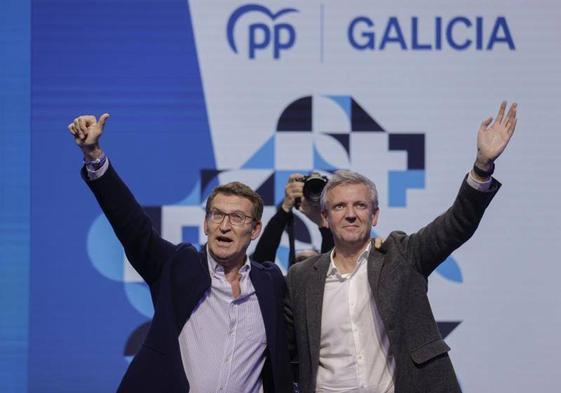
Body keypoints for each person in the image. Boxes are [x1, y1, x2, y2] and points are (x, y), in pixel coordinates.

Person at [285, 102, 517, 393]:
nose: (351, 214)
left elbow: (456, 224)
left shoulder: (401, 255)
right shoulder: (301, 277)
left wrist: (481, 168)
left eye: (360, 205)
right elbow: (282, 350)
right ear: (325, 217)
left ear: (375, 215)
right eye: (340, 206)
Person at [67, 114, 292, 393]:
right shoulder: (178, 266)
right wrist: (94, 156)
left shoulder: (270, 283)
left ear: (255, 229)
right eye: (217, 215)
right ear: (205, 223)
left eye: (236, 217)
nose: (224, 226)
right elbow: (133, 227)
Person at [253, 173, 334, 267]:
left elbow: (331, 266)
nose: (304, 265)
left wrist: (323, 224)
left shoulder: (327, 279)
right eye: (299, 260)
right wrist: (285, 208)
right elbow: (261, 263)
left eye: (312, 261)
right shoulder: (283, 281)